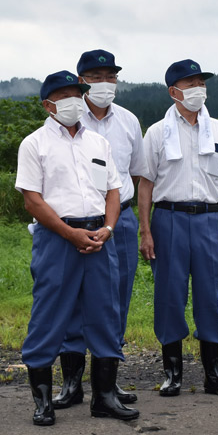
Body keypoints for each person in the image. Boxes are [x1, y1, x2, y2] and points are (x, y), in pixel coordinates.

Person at [15, 70, 137, 426]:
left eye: (77, 93)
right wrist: (69, 233)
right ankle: (42, 401)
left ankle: (104, 397)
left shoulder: (98, 143)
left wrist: (109, 228)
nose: (74, 100)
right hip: (57, 239)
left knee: (106, 314)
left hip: (99, 236)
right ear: (48, 104)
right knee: (49, 314)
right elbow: (33, 202)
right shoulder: (34, 143)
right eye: (65, 94)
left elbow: (113, 190)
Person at [138, 59, 218, 397]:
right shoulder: (157, 132)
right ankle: (173, 373)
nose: (198, 89)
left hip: (209, 220)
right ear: (174, 92)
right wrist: (146, 230)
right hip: (168, 217)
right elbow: (145, 185)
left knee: (208, 295)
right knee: (169, 295)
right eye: (190, 84)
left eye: (201, 82)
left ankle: (214, 374)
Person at [51, 50, 144, 410]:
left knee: (115, 300)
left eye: (111, 75)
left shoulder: (129, 122)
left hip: (119, 219)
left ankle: (108, 385)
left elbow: (135, 174)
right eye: (96, 75)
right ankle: (71, 383)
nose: (105, 82)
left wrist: (118, 217)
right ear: (80, 80)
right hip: (75, 223)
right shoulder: (67, 118)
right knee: (72, 300)